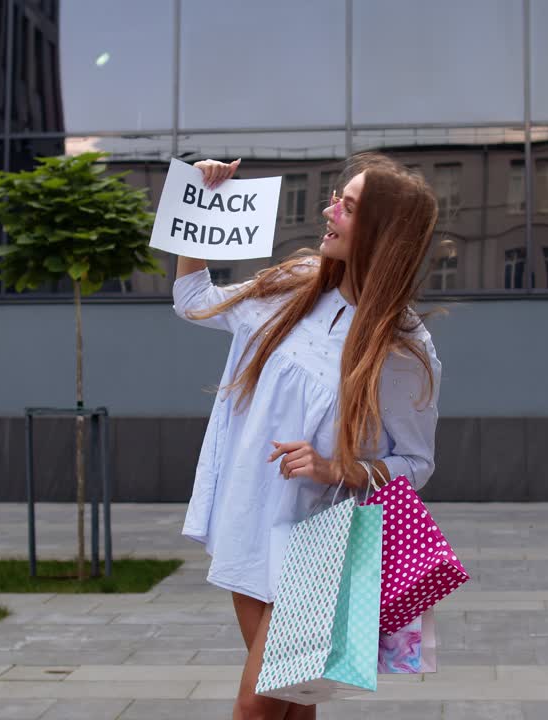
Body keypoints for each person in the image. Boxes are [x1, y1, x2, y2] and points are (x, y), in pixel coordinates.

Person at [171, 152, 442, 720]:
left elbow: (415, 462)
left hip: (322, 539)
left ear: (380, 234)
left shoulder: (402, 348)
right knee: (293, 707)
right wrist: (198, 197)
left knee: (258, 707)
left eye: (346, 206)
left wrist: (333, 467)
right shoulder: (292, 287)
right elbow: (193, 301)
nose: (328, 210)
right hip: (247, 516)